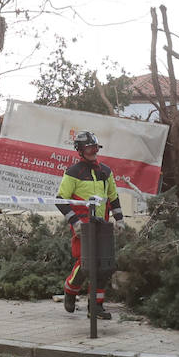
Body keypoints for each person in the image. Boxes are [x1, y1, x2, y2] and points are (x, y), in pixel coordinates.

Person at [54, 131, 124, 319]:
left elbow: (113, 197)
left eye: (95, 148)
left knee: (104, 266)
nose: (93, 151)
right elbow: (60, 200)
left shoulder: (106, 172)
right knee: (85, 263)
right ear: (80, 150)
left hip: (103, 226)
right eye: (89, 148)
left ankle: (96, 307)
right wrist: (74, 222)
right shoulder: (73, 173)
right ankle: (70, 290)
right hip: (82, 227)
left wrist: (120, 219)